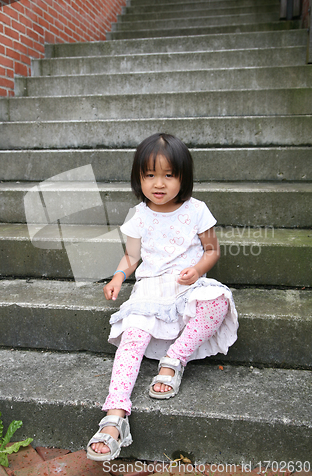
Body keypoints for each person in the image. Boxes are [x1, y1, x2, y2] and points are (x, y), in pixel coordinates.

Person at [87, 133, 238, 461]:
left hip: (188, 286)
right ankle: (115, 416)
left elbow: (212, 250)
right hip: (151, 289)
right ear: (138, 177)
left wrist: (197, 270)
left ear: (183, 177)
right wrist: (117, 277)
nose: (159, 183)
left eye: (169, 174)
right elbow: (131, 257)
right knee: (132, 339)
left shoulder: (197, 210)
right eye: (150, 174)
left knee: (218, 301)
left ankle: (175, 358)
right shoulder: (138, 215)